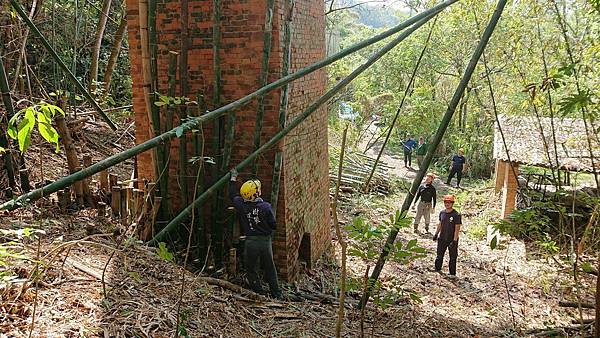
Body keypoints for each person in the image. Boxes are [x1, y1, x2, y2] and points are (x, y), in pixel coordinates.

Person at [229, 169, 282, 299]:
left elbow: (232, 194)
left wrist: (233, 178)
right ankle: (277, 294)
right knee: (270, 268)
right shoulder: (266, 207)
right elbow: (273, 225)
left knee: (251, 269)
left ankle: (259, 293)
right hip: (265, 242)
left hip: (250, 242)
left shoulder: (241, 205)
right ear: (256, 193)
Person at [432, 194, 462, 279]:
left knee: (452, 257)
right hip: (442, 238)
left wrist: (455, 240)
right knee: (439, 255)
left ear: (452, 203)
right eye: (445, 202)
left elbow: (457, 229)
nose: (447, 204)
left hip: (452, 239)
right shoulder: (442, 213)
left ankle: (452, 273)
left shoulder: (456, 215)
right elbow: (440, 224)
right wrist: (436, 234)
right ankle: (437, 269)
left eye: (449, 202)